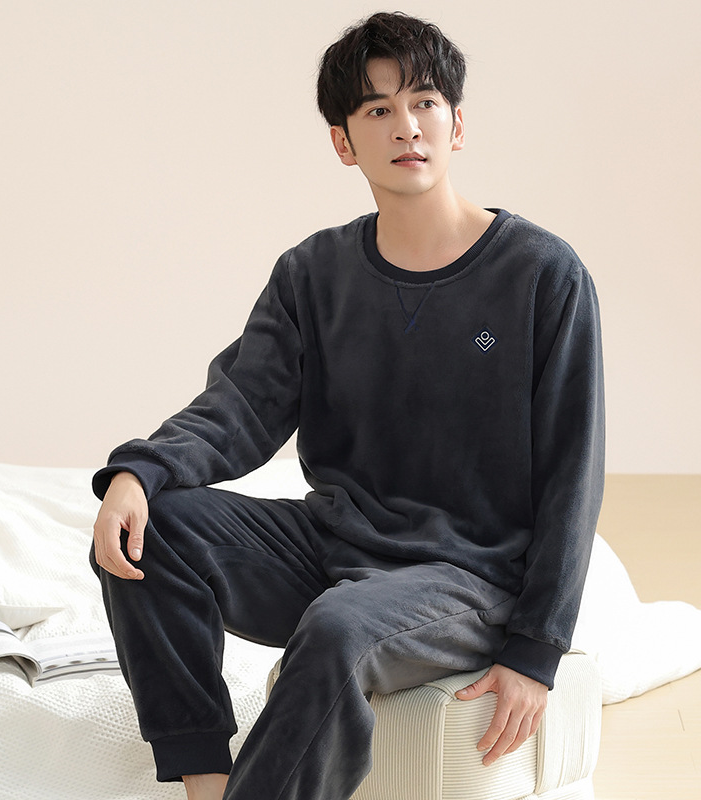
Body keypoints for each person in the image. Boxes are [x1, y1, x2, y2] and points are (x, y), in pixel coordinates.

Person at [91, 11, 605, 800]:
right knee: (148, 529)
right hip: (335, 547)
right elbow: (240, 404)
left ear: (457, 123)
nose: (407, 126)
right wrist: (141, 473)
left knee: (339, 628)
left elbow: (575, 473)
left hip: (471, 574)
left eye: (425, 102)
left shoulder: (543, 274)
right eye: (378, 109)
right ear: (344, 142)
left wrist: (536, 649)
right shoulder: (313, 273)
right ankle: (205, 783)